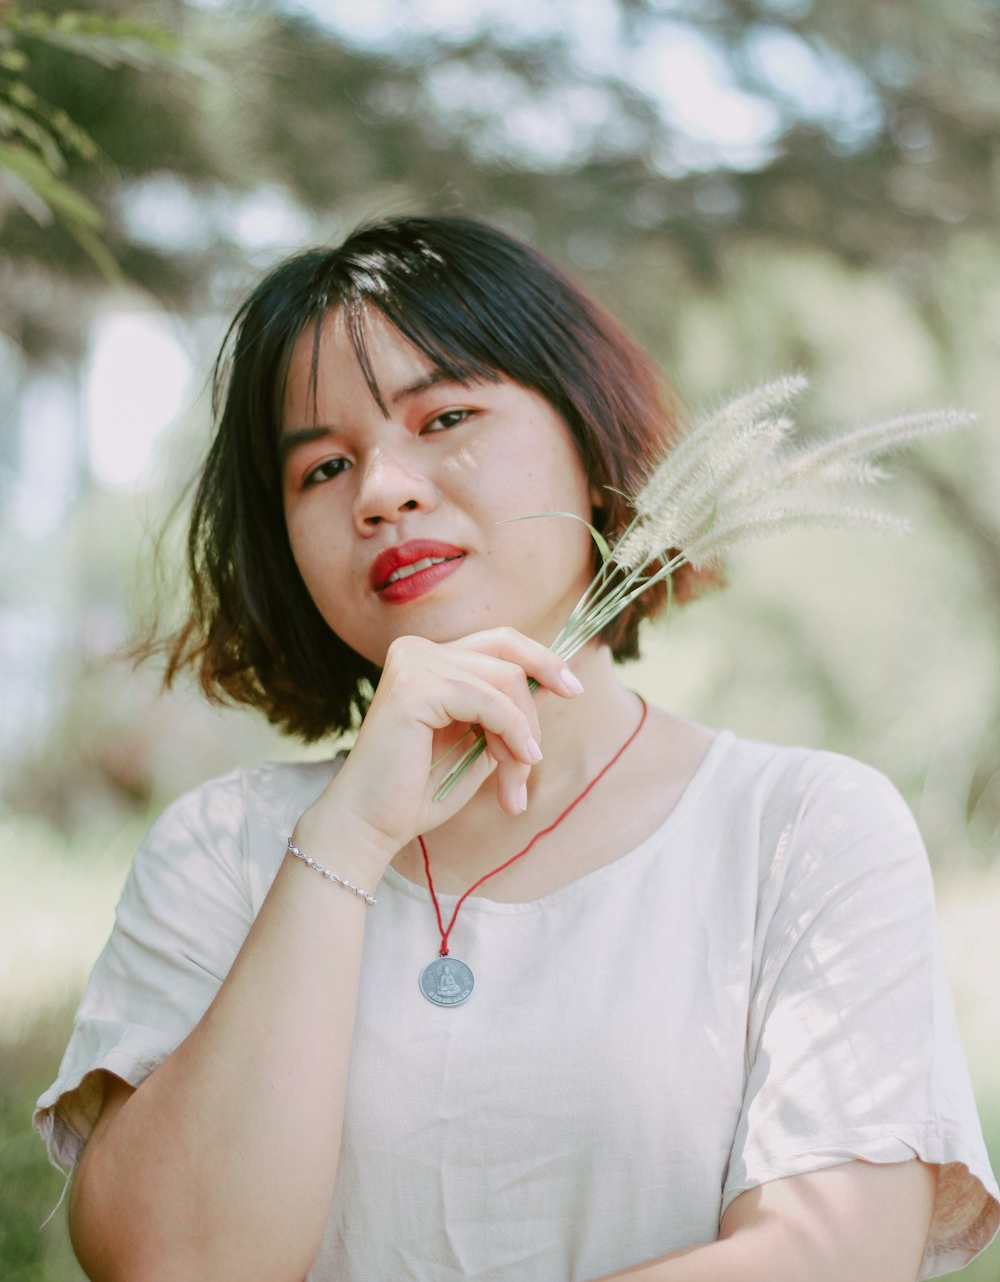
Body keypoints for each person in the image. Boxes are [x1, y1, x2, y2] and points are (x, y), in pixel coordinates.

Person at [34, 215, 999, 1282]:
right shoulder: (221, 852)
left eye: (446, 415)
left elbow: (832, 1257)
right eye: (320, 468)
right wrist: (348, 841)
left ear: (592, 443)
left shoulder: (800, 832)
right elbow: (173, 1265)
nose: (381, 491)